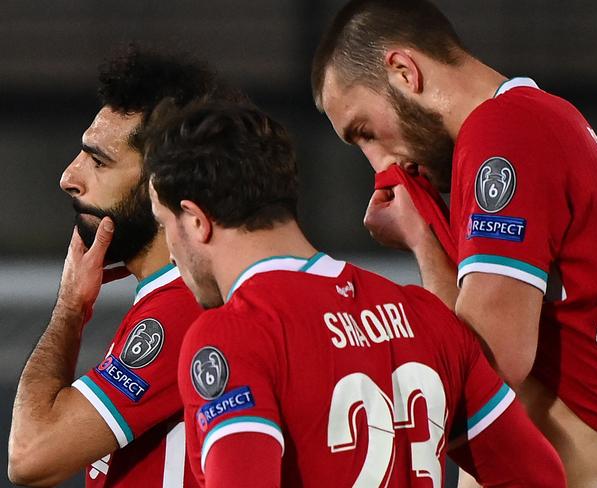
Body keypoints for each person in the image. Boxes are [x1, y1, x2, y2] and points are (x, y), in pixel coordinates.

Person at [310, 0, 597, 486]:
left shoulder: (504, 132)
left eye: (365, 132)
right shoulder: (560, 124)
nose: (380, 164)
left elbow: (487, 365)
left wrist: (422, 242)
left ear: (404, 71)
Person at [144, 101, 566, 487]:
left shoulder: (232, 336)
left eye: (165, 225)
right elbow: (540, 477)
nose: (170, 250)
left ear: (197, 221)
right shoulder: (426, 318)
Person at [8, 46, 245, 487]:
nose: (68, 177)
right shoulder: (168, 300)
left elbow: (30, 455)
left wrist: (69, 310)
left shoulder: (183, 310)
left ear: (164, 185)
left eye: (98, 161)